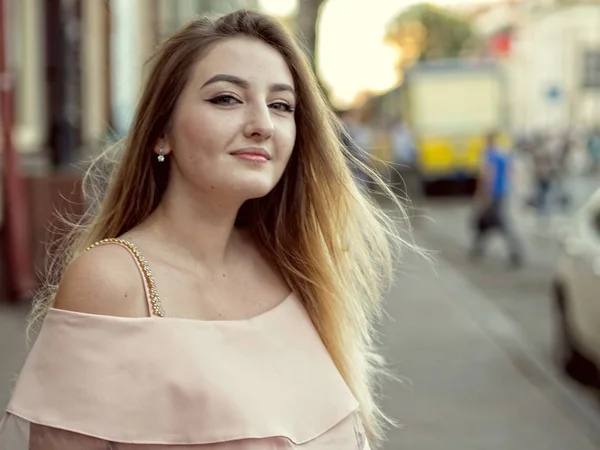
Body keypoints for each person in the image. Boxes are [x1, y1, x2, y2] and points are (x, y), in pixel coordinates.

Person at [0, 10, 415, 450]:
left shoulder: (297, 266)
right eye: (226, 99)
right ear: (162, 132)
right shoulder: (113, 281)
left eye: (281, 105)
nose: (262, 124)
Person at [470, 132, 523, 268]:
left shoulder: (489, 155)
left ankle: (515, 251)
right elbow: (511, 172)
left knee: (500, 222)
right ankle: (478, 249)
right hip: (502, 191)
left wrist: (483, 194)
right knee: (486, 222)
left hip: (493, 193)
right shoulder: (502, 155)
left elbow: (488, 175)